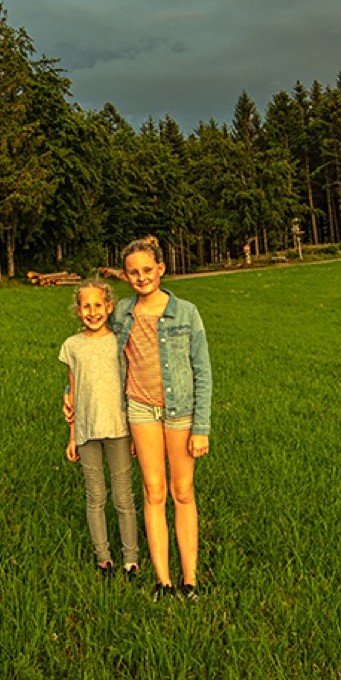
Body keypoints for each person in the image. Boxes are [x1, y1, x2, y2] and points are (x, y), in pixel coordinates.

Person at [111, 235, 212, 599]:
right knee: (154, 493)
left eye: (148, 270)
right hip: (140, 410)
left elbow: (203, 371)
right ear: (125, 276)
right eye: (133, 272)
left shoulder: (186, 312)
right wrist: (69, 393)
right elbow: (96, 352)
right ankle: (163, 581)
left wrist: (201, 428)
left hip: (180, 412)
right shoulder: (121, 312)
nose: (142, 277)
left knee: (182, 492)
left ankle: (190, 581)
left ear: (162, 269)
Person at [58, 281, 141, 576]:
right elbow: (73, 390)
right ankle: (103, 557)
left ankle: (131, 558)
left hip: (119, 429)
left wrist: (134, 435)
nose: (92, 312)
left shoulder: (120, 343)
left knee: (123, 497)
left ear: (108, 307)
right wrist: (72, 436)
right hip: (86, 432)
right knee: (95, 496)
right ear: (78, 311)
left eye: (98, 305)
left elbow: (131, 387)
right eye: (86, 307)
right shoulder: (72, 346)